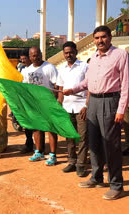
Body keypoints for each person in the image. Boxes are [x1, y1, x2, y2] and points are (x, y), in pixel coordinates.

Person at [63, 26, 129, 200]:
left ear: (110, 38)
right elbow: (87, 81)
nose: (100, 41)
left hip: (110, 102)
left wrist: (121, 109)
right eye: (97, 38)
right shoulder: (93, 57)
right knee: (94, 143)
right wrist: (72, 89)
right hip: (93, 102)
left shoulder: (120, 55)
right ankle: (96, 177)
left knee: (111, 145)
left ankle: (116, 185)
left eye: (103, 37)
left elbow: (126, 85)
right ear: (94, 40)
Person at [22, 47, 58, 166]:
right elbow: (25, 87)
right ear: (29, 56)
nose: (35, 57)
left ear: (41, 54)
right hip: (34, 104)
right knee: (37, 128)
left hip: (48, 103)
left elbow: (56, 85)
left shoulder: (49, 67)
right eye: (33, 55)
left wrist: (53, 100)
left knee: (51, 128)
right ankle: (39, 152)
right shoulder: (27, 70)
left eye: (37, 55)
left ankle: (52, 155)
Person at [57, 41, 89, 177]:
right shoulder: (62, 69)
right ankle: (72, 161)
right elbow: (60, 89)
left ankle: (81, 164)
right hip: (66, 108)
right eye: (66, 53)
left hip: (81, 107)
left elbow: (90, 88)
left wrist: (87, 106)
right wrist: (59, 105)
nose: (68, 55)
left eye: (70, 52)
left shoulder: (85, 67)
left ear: (76, 52)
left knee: (83, 137)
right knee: (69, 136)